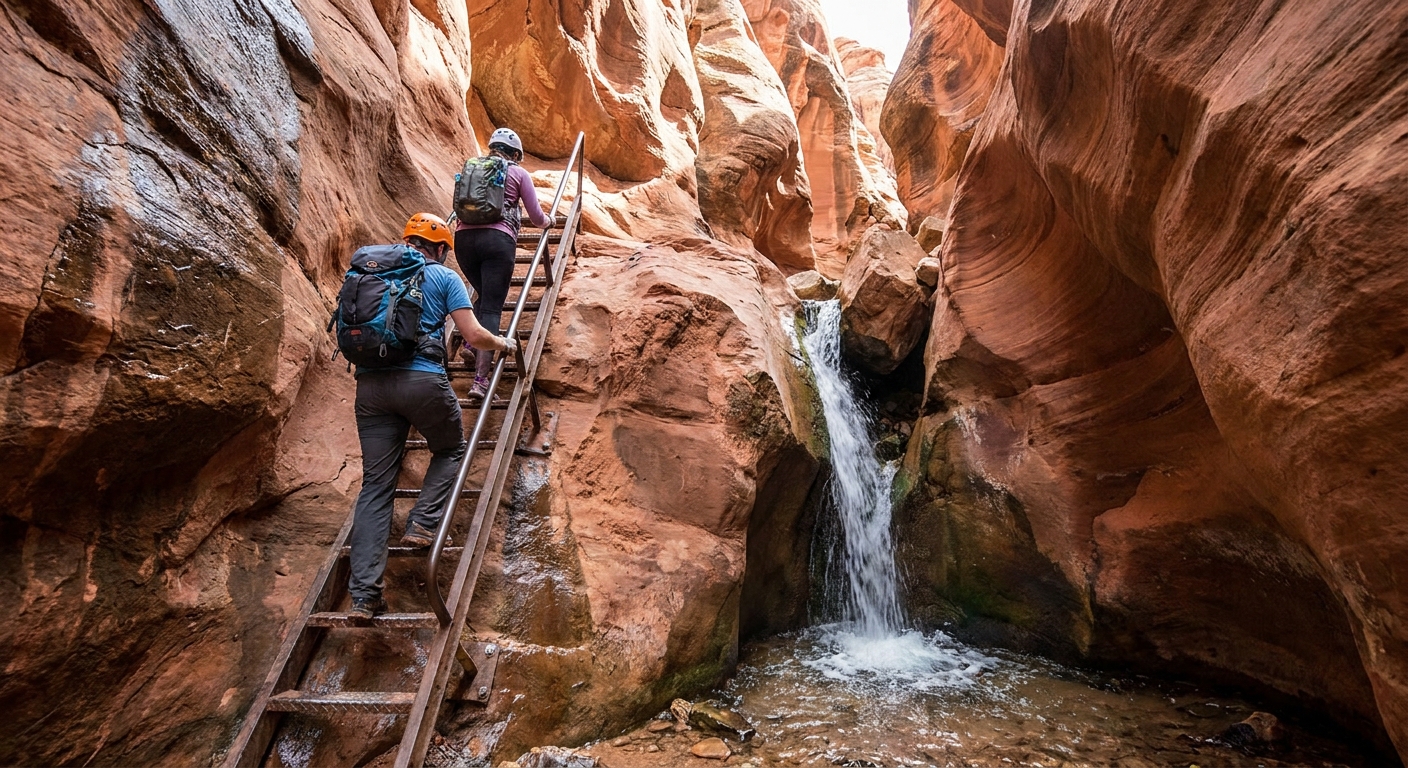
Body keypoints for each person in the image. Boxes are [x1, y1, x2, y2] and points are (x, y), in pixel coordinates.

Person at [347, 212, 517, 619]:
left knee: (375, 486)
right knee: (451, 449)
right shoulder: (443, 277)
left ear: (406, 239)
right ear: (441, 249)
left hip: (370, 387)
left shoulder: (369, 273)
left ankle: (364, 597)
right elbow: (474, 335)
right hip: (421, 381)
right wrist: (505, 344)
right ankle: (423, 524)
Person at [454, 127, 553, 402]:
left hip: (463, 239)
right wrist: (549, 223)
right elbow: (536, 216)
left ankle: (469, 343)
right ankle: (480, 380)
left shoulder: (474, 167)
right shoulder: (518, 174)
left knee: (483, 294)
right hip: (498, 240)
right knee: (491, 309)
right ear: (515, 155)